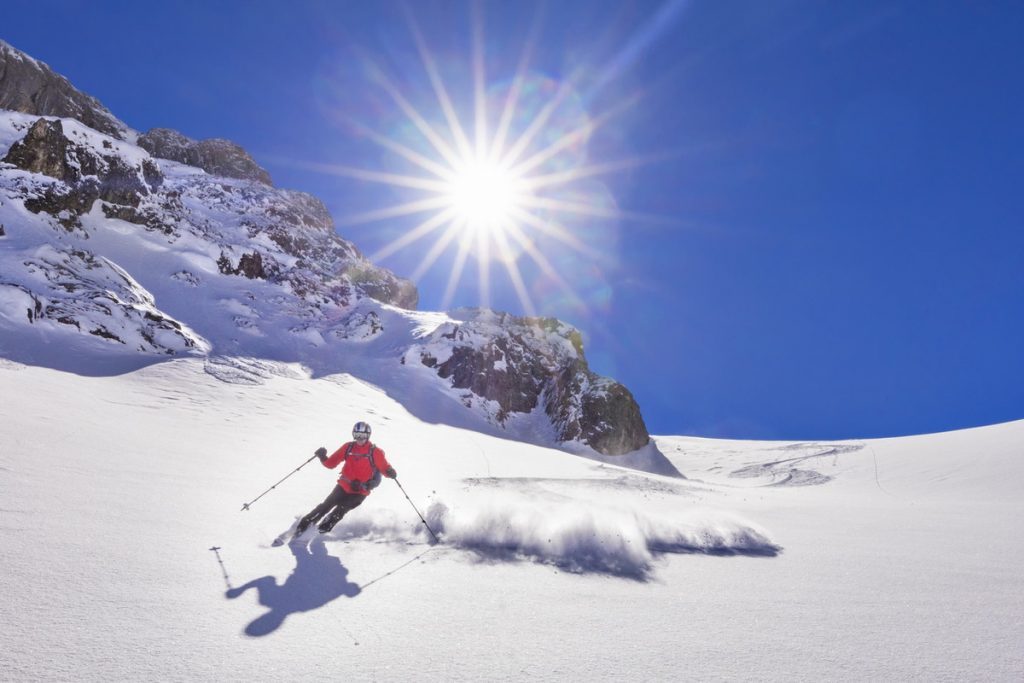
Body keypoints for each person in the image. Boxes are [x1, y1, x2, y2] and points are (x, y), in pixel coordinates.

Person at [294, 421, 397, 537]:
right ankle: (305, 523)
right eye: (357, 435)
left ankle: (322, 528)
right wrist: (323, 457)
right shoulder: (348, 447)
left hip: (361, 490)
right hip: (343, 485)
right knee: (327, 505)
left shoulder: (375, 452)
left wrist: (391, 472)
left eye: (363, 436)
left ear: (368, 436)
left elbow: (385, 468)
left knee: (342, 509)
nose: (360, 438)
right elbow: (331, 464)